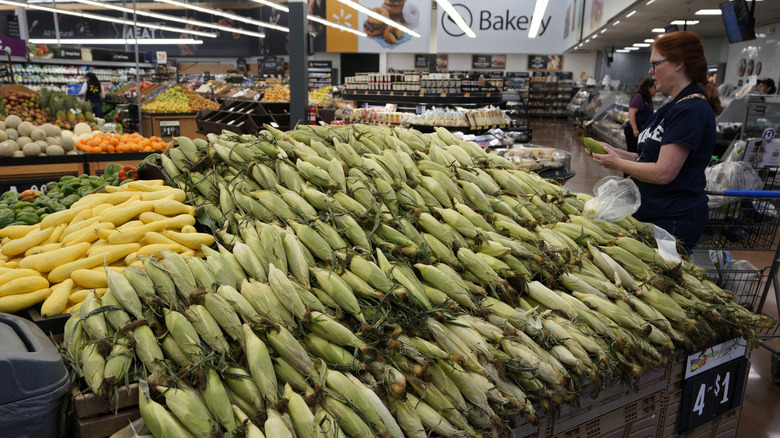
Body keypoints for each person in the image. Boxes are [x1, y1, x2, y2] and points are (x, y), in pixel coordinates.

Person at [589, 31, 722, 253]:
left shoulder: (691, 110)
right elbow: (647, 158)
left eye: (655, 64)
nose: (650, 72)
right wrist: (616, 153)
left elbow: (663, 172)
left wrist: (618, 164)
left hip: (672, 220)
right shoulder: (671, 107)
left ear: (678, 63)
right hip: (652, 212)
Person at [623, 78, 657, 153]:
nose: (656, 90)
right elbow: (631, 113)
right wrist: (635, 129)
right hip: (633, 131)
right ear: (649, 88)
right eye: (654, 87)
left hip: (641, 130)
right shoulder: (639, 97)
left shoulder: (648, 98)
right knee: (632, 152)